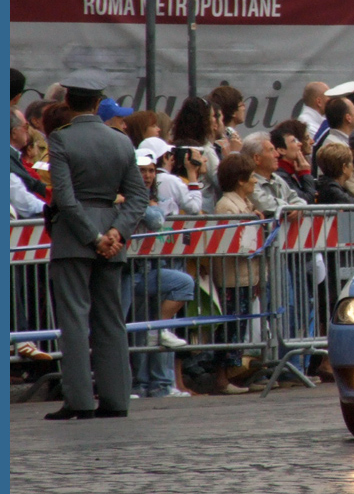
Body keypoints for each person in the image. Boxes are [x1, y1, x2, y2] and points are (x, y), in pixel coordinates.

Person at [44, 69, 148, 420]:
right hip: (112, 233)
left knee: (74, 319)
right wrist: (117, 232)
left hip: (76, 237)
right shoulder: (121, 141)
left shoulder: (61, 139)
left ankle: (80, 400)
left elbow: (66, 198)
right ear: (99, 103)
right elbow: (137, 196)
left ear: (68, 102)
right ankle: (117, 398)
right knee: (111, 319)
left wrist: (93, 237)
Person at [125, 148, 195, 399]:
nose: (147, 176)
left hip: (150, 269)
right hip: (127, 272)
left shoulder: (145, 196)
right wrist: (150, 207)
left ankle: (155, 382)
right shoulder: (127, 195)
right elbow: (155, 220)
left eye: (151, 171)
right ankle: (135, 383)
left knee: (147, 323)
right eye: (141, 171)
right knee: (126, 326)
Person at [211, 152, 264, 394]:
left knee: (238, 326)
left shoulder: (245, 204)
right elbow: (236, 244)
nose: (256, 181)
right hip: (231, 278)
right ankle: (221, 378)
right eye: (252, 176)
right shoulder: (227, 206)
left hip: (245, 276)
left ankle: (233, 373)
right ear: (240, 180)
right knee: (229, 328)